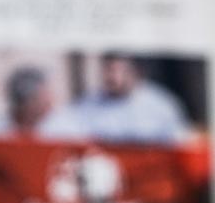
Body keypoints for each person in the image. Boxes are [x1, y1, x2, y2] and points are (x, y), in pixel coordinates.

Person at [44, 51, 191, 144]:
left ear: (136, 72)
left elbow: (180, 142)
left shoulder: (160, 105)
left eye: (117, 70)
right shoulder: (91, 102)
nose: (110, 77)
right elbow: (56, 127)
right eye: (107, 69)